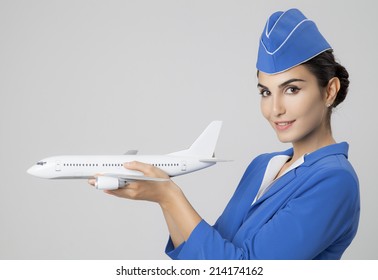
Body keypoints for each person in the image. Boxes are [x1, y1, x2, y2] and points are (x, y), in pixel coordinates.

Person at [91, 8, 360, 259]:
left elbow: (245, 269)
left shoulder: (334, 181)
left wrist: (168, 195)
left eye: (292, 89)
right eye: (265, 92)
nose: (275, 108)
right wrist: (163, 200)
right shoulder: (262, 165)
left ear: (329, 91)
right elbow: (204, 257)